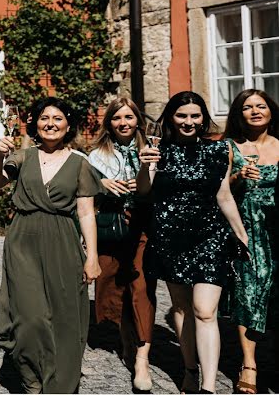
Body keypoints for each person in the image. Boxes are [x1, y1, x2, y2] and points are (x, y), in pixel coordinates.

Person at [0, 96, 101, 394]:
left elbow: (86, 212)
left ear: (68, 125)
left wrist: (92, 257)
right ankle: (32, 378)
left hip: (63, 240)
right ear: (35, 124)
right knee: (29, 318)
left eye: (58, 118)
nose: (50, 123)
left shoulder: (79, 163)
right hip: (23, 240)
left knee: (64, 317)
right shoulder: (24, 157)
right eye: (44, 118)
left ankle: (58, 384)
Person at [138, 91, 249, 394]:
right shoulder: (157, 150)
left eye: (195, 116)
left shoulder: (218, 150)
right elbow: (144, 191)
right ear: (171, 118)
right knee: (182, 308)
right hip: (171, 239)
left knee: (204, 310)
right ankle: (189, 368)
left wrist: (240, 231)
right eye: (182, 115)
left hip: (210, 237)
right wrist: (144, 165)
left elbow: (223, 194)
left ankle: (208, 387)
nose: (189, 122)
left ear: (203, 119)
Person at [87, 97, 155, 391]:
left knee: (140, 288)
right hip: (111, 226)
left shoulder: (150, 150)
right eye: (117, 118)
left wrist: (142, 174)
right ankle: (127, 340)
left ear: (137, 121)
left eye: (128, 117)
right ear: (109, 123)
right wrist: (101, 184)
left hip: (142, 224)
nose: (123, 123)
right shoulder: (95, 156)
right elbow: (84, 192)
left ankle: (142, 358)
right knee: (113, 286)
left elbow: (152, 190)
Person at [219, 89, 279, 394]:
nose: (255, 111)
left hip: (278, 228)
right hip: (247, 228)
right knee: (248, 291)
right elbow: (218, 188)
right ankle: (249, 364)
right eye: (247, 107)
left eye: (260, 105)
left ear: (271, 110)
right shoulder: (230, 147)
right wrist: (238, 176)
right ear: (238, 114)